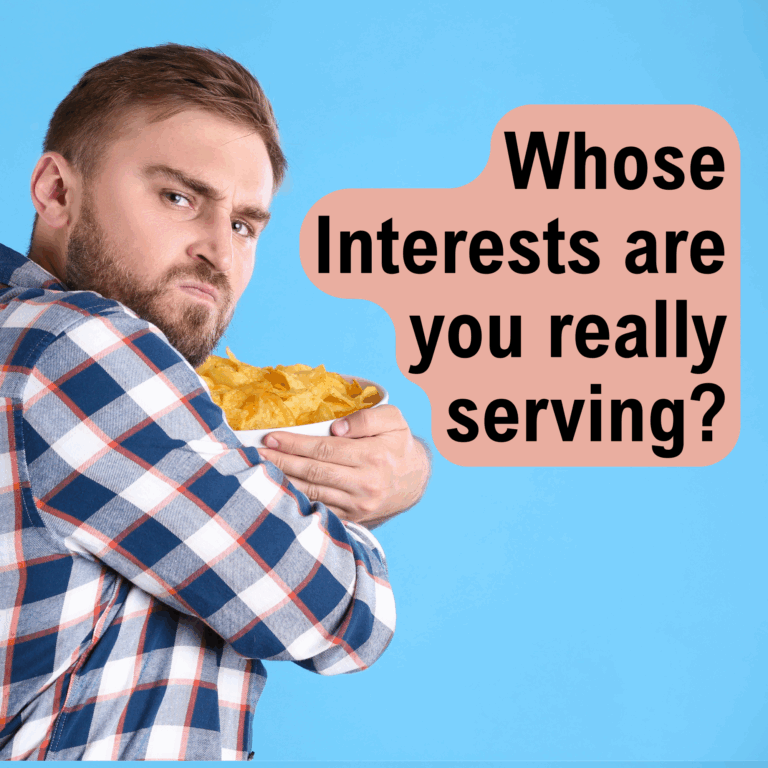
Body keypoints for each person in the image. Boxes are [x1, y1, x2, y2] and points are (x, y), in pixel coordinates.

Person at [0, 44, 430, 760]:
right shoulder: (76, 347)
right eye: (179, 197)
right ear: (56, 191)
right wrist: (378, 495)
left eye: (244, 225)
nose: (218, 252)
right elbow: (341, 614)